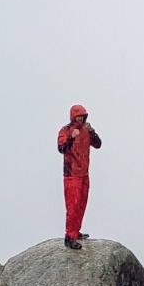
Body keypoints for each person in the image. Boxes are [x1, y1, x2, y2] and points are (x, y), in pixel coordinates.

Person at [56, 103, 101, 250]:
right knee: (73, 206)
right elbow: (61, 148)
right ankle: (69, 237)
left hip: (84, 174)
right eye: (78, 116)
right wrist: (71, 138)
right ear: (73, 116)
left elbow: (98, 144)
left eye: (82, 116)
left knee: (82, 204)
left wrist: (92, 131)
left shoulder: (86, 131)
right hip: (71, 175)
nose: (81, 119)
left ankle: (76, 232)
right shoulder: (66, 130)